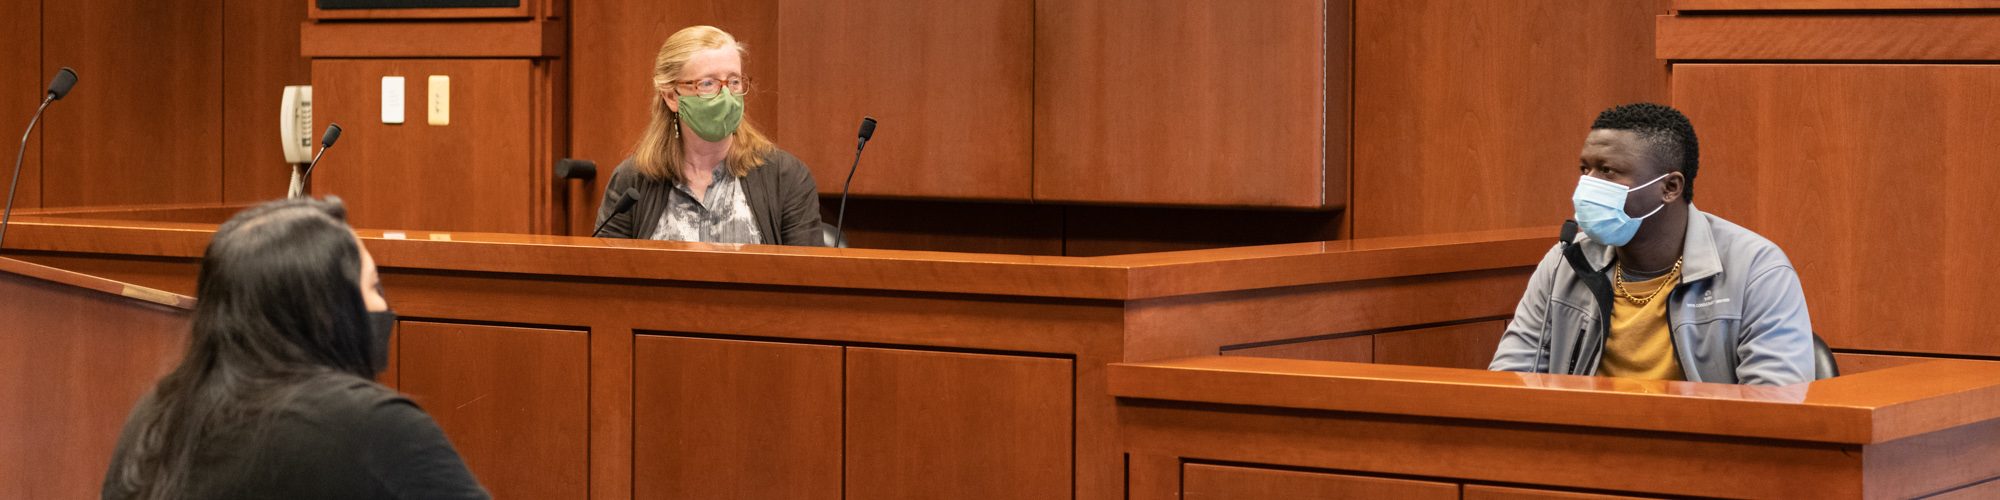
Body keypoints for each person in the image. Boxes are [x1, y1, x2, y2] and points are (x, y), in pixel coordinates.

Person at [101, 198, 488, 499]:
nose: (383, 305)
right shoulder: (376, 427)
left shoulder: (156, 415)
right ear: (326, 312)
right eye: (373, 287)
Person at [1489, 103, 1815, 385]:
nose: (1587, 185)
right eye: (1585, 169)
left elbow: (1775, 407)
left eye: (1607, 171)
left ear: (1670, 187)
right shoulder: (1567, 260)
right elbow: (1509, 381)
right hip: (1583, 437)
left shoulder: (1756, 270)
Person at [593, 25, 826, 245]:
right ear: (671, 96)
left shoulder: (785, 177)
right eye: (707, 84)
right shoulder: (633, 180)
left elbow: (806, 271)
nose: (726, 96)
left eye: (734, 81)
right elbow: (604, 267)